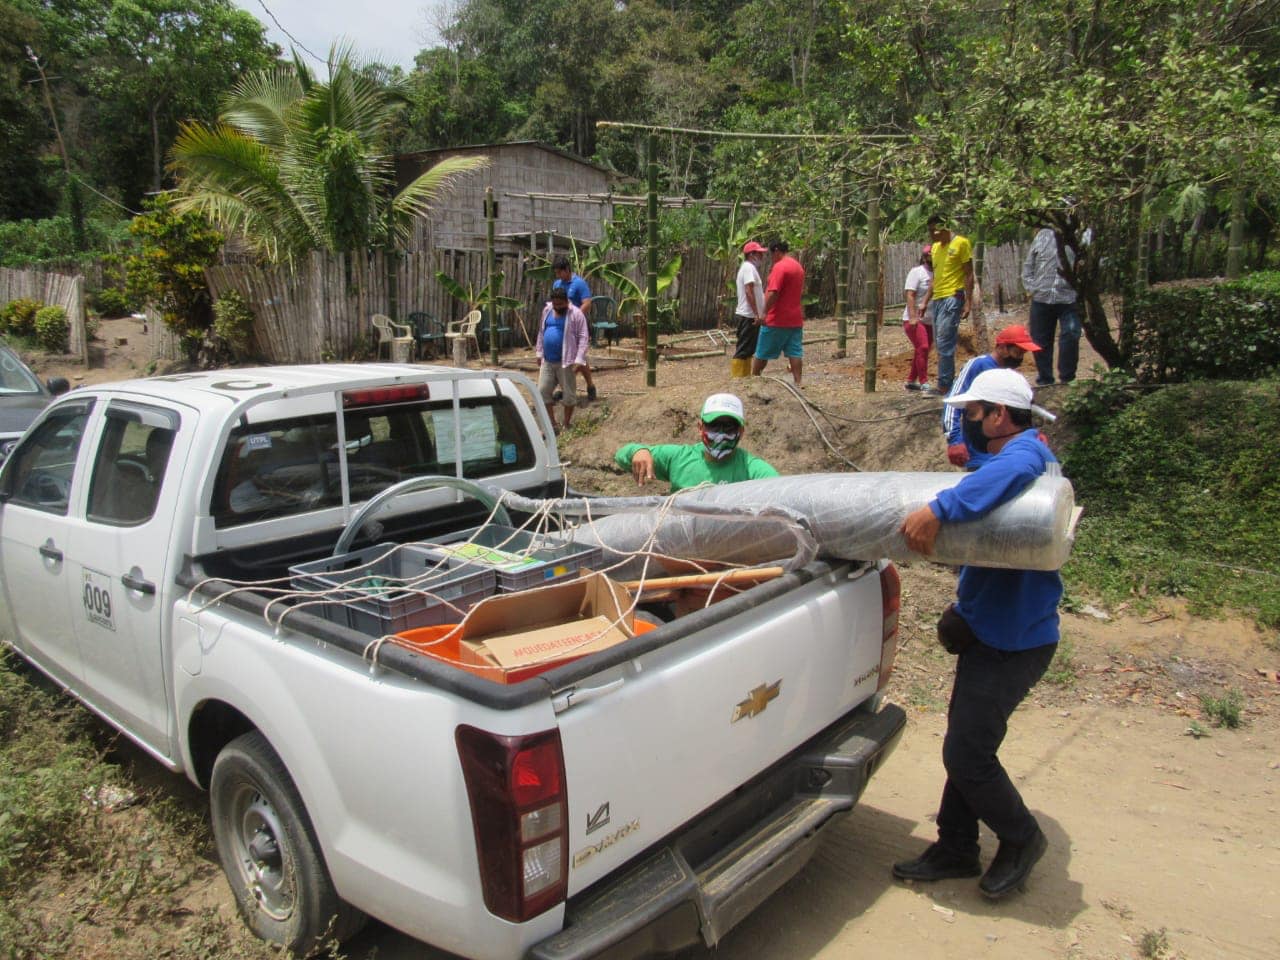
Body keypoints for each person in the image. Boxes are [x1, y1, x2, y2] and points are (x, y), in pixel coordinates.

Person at [895, 367, 1061, 901]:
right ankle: (956, 846)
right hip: (989, 628)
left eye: (974, 412)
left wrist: (939, 509)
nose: (968, 421)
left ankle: (1022, 837)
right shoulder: (1004, 459)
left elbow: (1011, 470)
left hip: (1015, 640)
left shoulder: (1027, 454)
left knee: (967, 753)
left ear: (999, 415)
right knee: (966, 742)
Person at [614, 393, 779, 493]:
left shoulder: (752, 470)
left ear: (741, 432)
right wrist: (639, 451)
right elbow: (621, 455)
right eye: (714, 425)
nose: (721, 434)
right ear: (700, 427)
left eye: (729, 427)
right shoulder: (679, 458)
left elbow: (780, 489)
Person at [942, 324, 1041, 470]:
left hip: (1008, 452)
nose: (1020, 358)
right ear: (1003, 348)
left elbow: (1020, 414)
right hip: (980, 454)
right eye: (1017, 352)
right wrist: (954, 440)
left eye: (1022, 353)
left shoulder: (1012, 376)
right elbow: (952, 402)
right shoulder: (978, 365)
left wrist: (1031, 435)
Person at [1021, 227, 1082, 386]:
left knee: (1071, 334)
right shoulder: (1043, 235)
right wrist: (1032, 288)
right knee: (1039, 341)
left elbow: (1089, 265)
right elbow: (1029, 264)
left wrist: (1082, 288)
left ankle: (1067, 379)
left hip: (1069, 298)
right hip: (1041, 297)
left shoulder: (1082, 234)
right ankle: (1045, 380)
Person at [926, 215, 975, 396]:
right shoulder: (935, 248)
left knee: (945, 341)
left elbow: (969, 274)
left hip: (953, 297)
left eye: (935, 230)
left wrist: (968, 302)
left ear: (945, 227)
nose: (932, 234)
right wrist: (925, 301)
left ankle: (945, 385)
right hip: (938, 299)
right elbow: (935, 276)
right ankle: (946, 382)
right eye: (930, 231)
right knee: (939, 342)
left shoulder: (961, 243)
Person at [751, 240, 806, 385]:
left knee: (762, 352)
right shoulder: (797, 267)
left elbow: (773, 292)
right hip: (795, 319)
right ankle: (798, 382)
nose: (771, 258)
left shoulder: (780, 267)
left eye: (771, 254)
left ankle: (754, 380)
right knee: (795, 352)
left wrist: (763, 313)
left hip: (777, 319)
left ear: (776, 251)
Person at [536, 287, 588, 432]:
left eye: (560, 304)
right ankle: (552, 425)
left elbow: (583, 337)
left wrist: (579, 359)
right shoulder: (547, 311)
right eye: (555, 304)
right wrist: (539, 352)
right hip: (548, 361)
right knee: (542, 392)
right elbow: (541, 332)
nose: (557, 307)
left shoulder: (576, 314)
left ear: (566, 301)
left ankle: (566, 423)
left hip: (566, 362)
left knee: (569, 395)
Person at [552, 256, 597, 401]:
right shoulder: (557, 284)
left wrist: (574, 318)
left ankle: (590, 386)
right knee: (562, 356)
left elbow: (587, 303)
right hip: (561, 327)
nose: (558, 275)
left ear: (567, 269)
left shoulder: (579, 283)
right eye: (556, 273)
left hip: (576, 327)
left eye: (559, 272)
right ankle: (563, 388)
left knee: (579, 357)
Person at [732, 241, 768, 378]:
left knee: (748, 349)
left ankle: (744, 377)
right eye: (759, 253)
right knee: (743, 349)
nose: (762, 256)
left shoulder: (750, 268)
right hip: (748, 315)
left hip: (751, 315)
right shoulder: (748, 267)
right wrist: (756, 313)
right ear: (751, 254)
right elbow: (749, 291)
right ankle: (738, 378)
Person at [903, 245, 934, 391]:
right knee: (923, 347)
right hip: (915, 319)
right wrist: (912, 316)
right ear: (925, 257)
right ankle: (923, 382)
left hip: (930, 319)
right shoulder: (917, 272)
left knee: (921, 350)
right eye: (930, 255)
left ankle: (911, 381)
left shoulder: (939, 273)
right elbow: (910, 294)